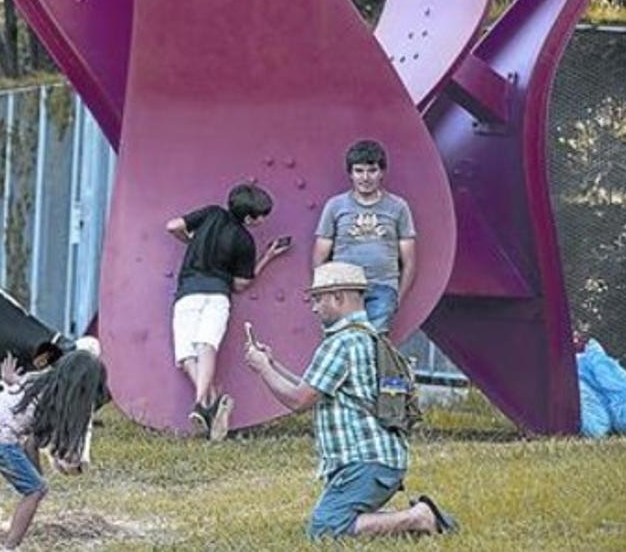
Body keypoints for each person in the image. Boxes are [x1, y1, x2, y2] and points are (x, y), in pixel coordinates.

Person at [243, 262, 456, 538]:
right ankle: (404, 523)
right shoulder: (367, 338)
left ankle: (418, 517)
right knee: (334, 520)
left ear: (339, 297)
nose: (314, 307)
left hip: (363, 463)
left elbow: (299, 400)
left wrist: (262, 368)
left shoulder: (339, 343)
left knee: (325, 529)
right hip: (382, 460)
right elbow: (310, 387)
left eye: (318, 299)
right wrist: (272, 364)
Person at [0, 350, 108, 551]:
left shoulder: (36, 379)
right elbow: (30, 444)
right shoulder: (54, 402)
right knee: (35, 490)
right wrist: (37, 477)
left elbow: (18, 386)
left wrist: (10, 379)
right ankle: (10, 547)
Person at [166, 182, 289, 440]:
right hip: (218, 295)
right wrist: (267, 257)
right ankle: (205, 402)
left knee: (187, 354)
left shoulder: (210, 214)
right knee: (206, 345)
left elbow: (173, 226)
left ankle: (207, 405)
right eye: (261, 217)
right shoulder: (244, 240)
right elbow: (241, 284)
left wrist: (190, 240)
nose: (262, 221)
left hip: (187, 293)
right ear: (248, 218)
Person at [312, 140, 416, 334]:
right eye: (359, 171)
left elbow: (409, 261)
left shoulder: (398, 207)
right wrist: (323, 292)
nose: (365, 177)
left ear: (382, 172)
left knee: (373, 344)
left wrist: (397, 298)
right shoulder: (335, 206)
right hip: (343, 288)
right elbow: (320, 255)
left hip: (383, 288)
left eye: (372, 170)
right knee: (340, 342)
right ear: (350, 174)